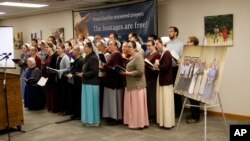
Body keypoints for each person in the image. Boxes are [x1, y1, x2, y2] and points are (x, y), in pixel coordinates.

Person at [122, 41, 149, 129]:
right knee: (133, 107)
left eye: (129, 47)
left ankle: (138, 123)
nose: (127, 49)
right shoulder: (131, 57)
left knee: (137, 107)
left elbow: (140, 71)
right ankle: (133, 122)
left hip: (137, 86)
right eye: (126, 47)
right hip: (131, 85)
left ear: (135, 48)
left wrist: (127, 73)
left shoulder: (138, 57)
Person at [76, 41, 100, 126]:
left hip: (92, 84)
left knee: (91, 104)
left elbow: (94, 72)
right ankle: (88, 120)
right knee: (87, 103)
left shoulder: (93, 57)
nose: (84, 48)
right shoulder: (87, 56)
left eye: (86, 46)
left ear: (90, 48)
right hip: (86, 82)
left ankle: (93, 121)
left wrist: (83, 74)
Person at [102, 40, 125, 124]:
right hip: (110, 81)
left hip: (114, 82)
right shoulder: (113, 55)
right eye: (109, 45)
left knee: (114, 101)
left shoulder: (117, 55)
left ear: (116, 46)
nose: (109, 46)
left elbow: (116, 69)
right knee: (110, 101)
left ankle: (115, 117)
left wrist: (105, 66)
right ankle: (111, 116)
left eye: (111, 45)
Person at [154, 37, 175, 128]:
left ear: (163, 44)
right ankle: (163, 121)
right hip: (163, 79)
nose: (156, 46)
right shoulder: (163, 53)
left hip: (166, 81)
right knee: (163, 101)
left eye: (157, 44)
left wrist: (158, 65)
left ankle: (167, 122)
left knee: (166, 102)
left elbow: (166, 67)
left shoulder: (167, 53)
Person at [166, 26, 184, 118]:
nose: (169, 33)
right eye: (168, 31)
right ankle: (170, 109)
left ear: (176, 32)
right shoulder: (167, 44)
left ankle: (178, 111)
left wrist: (177, 59)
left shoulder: (180, 44)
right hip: (167, 69)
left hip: (176, 68)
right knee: (169, 90)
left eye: (171, 31)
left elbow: (182, 58)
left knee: (176, 91)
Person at [186, 36, 201, 124]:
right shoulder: (189, 51)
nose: (187, 43)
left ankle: (196, 117)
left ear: (193, 43)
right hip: (189, 76)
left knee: (194, 97)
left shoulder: (198, 51)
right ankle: (192, 114)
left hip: (195, 77)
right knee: (190, 96)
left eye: (188, 42)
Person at [145, 40, 160, 122]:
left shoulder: (157, 54)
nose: (148, 47)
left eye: (150, 45)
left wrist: (149, 66)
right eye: (147, 45)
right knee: (149, 97)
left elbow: (156, 68)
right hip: (147, 77)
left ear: (154, 45)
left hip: (153, 78)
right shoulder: (148, 54)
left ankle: (153, 115)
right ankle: (149, 114)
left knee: (152, 98)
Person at [67, 45, 84, 120]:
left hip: (78, 82)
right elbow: (73, 69)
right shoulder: (76, 59)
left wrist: (72, 74)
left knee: (78, 98)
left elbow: (79, 71)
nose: (72, 51)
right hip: (74, 81)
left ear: (78, 52)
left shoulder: (81, 60)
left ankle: (79, 114)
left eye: (74, 50)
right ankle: (75, 113)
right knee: (74, 98)